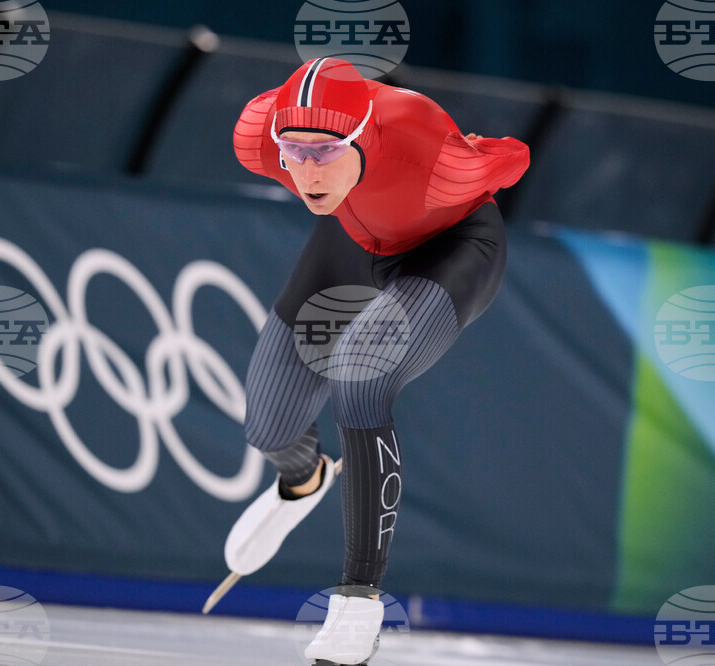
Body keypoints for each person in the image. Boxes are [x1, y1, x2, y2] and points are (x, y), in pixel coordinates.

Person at [225, 57, 530, 665]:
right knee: (267, 427)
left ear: (363, 135)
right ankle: (302, 481)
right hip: (348, 244)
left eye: (325, 152)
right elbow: (301, 145)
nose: (307, 171)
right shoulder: (257, 135)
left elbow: (514, 158)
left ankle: (358, 604)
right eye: (295, 152)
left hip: (447, 248)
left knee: (360, 374)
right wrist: (309, 151)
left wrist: (475, 151)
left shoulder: (425, 145)